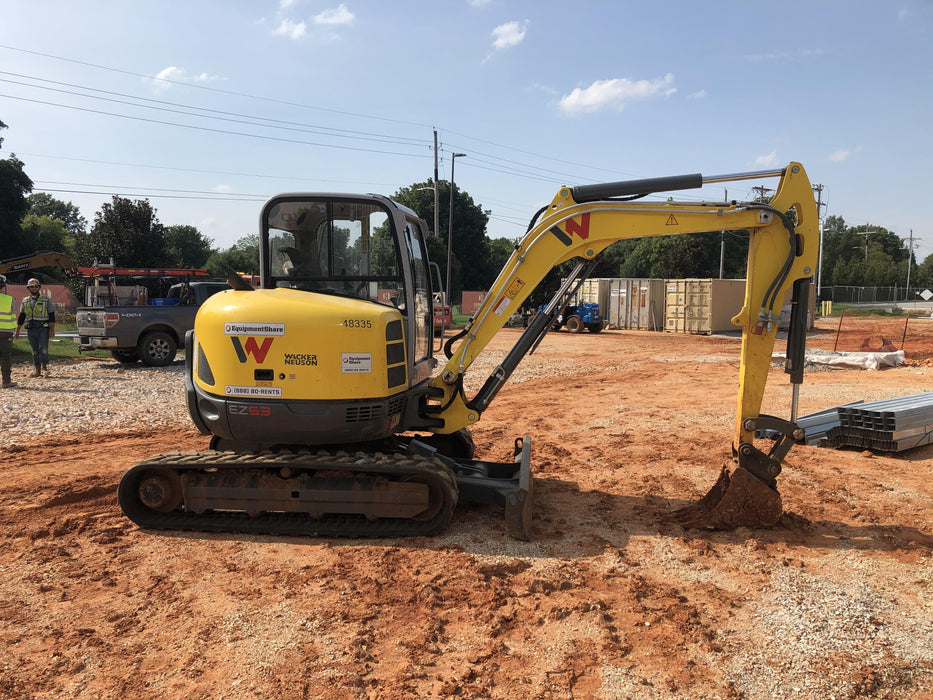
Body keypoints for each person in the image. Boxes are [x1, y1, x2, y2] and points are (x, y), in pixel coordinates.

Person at [14, 277, 55, 378]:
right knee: (34, 349)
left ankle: (44, 368)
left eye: (36, 286)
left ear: (39, 287)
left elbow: (52, 315)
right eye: (32, 287)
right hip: (31, 329)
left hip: (43, 328)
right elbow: (22, 317)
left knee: (43, 348)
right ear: (28, 288)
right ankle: (37, 369)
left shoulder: (45, 300)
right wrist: (17, 330)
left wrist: (52, 329)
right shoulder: (25, 301)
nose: (34, 288)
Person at [0, 275, 17, 388]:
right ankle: (6, 381)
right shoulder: (9, 299)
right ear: (3, 286)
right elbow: (16, 312)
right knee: (6, 356)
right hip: (6, 332)